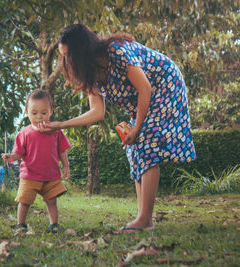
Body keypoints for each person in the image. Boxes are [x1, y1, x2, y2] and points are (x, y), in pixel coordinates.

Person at [38, 24, 196, 233]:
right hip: (146, 97)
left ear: (81, 50)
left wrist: (137, 127)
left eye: (69, 55)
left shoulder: (116, 52)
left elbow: (145, 87)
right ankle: (144, 218)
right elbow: (97, 112)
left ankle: (144, 219)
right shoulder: (91, 74)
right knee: (135, 149)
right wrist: (61, 125)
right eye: (63, 56)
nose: (66, 62)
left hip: (166, 86)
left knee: (146, 142)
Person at [2, 89, 71, 233]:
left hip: (51, 175)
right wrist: (11, 157)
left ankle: (54, 224)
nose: (39, 117)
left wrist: (66, 166)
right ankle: (21, 224)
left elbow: (62, 150)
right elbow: (19, 153)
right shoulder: (24, 133)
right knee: (24, 201)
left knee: (52, 201)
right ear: (26, 111)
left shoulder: (56, 131)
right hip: (30, 175)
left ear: (51, 111)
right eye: (34, 113)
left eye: (44, 113)